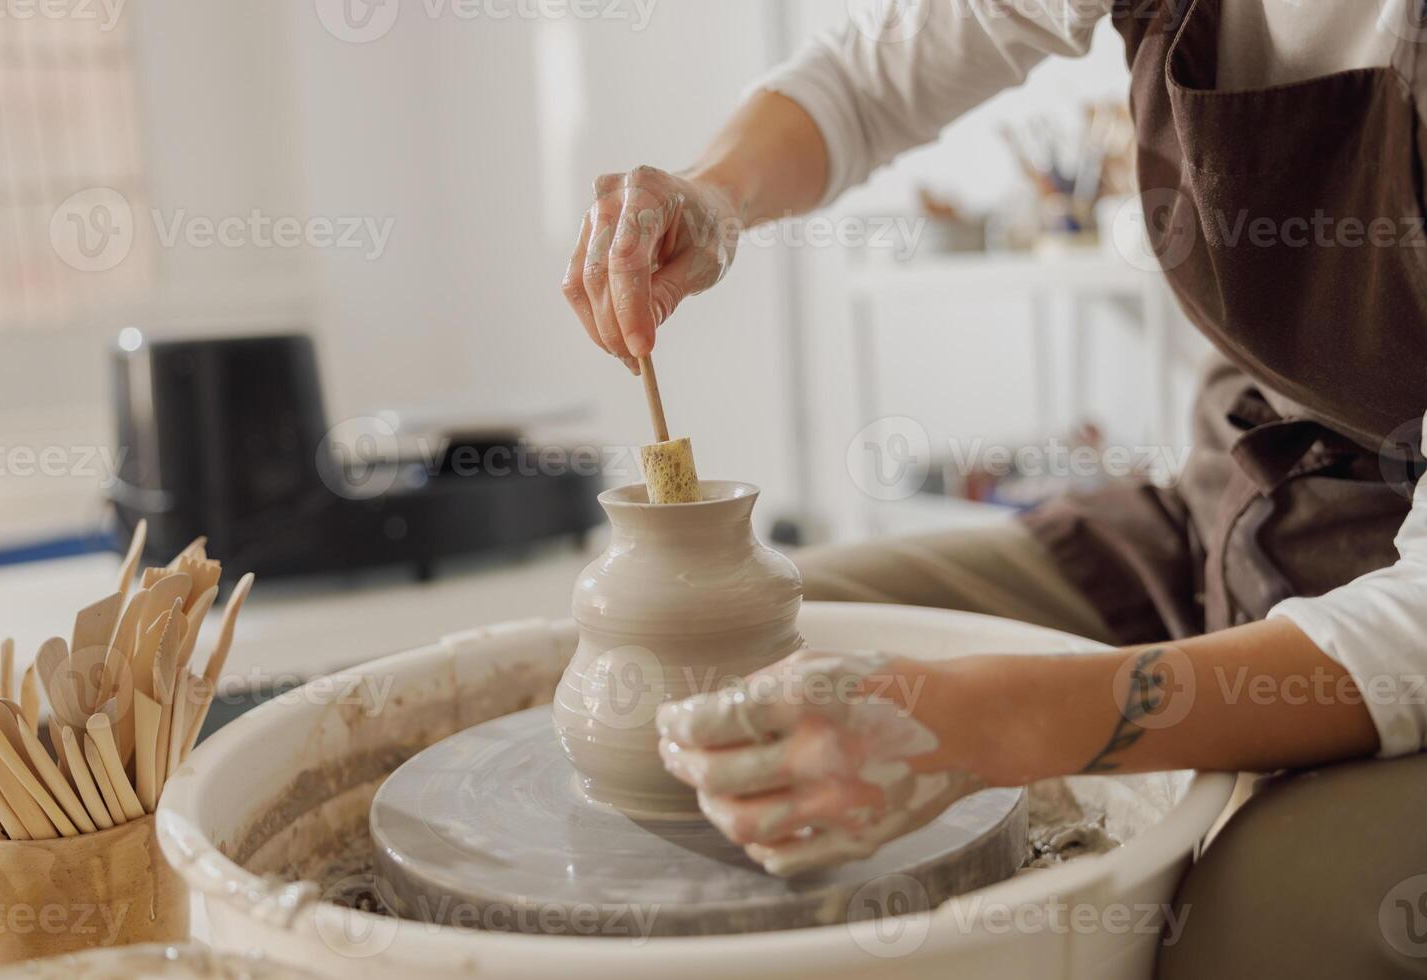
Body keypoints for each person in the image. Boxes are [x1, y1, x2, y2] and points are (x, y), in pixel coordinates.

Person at [561, 2, 1427, 975]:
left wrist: (1006, 718)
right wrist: (714, 193)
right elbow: (873, 76)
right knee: (758, 657)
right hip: (1228, 509)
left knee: (1260, 916)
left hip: (1392, 592)